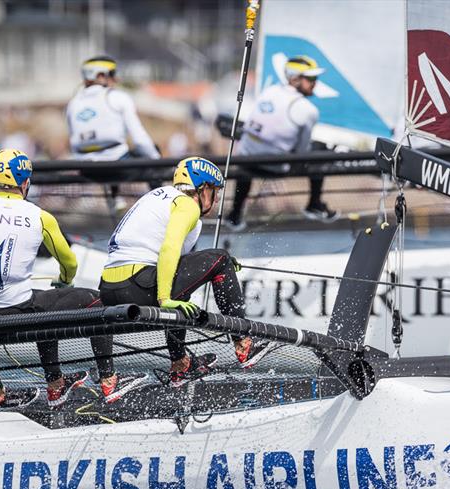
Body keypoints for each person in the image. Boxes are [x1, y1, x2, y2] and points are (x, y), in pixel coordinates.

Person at [0, 149, 146, 410]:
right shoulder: (40, 216)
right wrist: (64, 281)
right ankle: (104, 381)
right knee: (93, 301)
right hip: (21, 314)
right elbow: (70, 262)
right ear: (25, 183)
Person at [99, 157, 275, 387]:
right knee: (220, 258)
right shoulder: (187, 205)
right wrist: (165, 298)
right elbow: (170, 248)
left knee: (191, 280)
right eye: (215, 191)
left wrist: (209, 265)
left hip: (109, 289)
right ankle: (244, 344)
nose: (217, 198)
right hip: (138, 285)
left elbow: (178, 265)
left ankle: (180, 364)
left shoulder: (159, 195)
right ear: (203, 189)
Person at [227, 55, 339, 230]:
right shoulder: (309, 110)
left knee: (251, 152)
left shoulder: (269, 90)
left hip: (245, 160)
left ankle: (234, 214)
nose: (315, 83)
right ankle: (314, 204)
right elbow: (301, 152)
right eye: (310, 78)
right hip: (276, 167)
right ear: (294, 79)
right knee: (323, 149)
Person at [66, 55, 161, 211]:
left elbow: (74, 143)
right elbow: (141, 140)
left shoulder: (72, 104)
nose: (116, 79)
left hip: (86, 170)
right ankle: (160, 209)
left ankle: (115, 200)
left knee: (114, 152)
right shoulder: (118, 97)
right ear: (100, 75)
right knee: (149, 152)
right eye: (112, 73)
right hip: (117, 167)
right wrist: (157, 162)